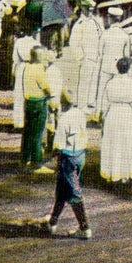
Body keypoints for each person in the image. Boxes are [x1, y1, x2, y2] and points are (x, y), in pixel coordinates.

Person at [43, 88, 93, 239]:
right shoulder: (80, 114)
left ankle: (85, 228)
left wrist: (51, 156)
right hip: (80, 153)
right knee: (62, 189)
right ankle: (52, 222)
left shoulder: (64, 118)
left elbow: (59, 144)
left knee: (73, 191)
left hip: (68, 157)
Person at [99, 57, 132, 183]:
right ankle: (125, 174)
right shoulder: (131, 83)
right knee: (126, 143)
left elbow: (105, 102)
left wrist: (104, 116)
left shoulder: (110, 83)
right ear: (128, 69)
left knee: (113, 143)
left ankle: (112, 172)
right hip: (126, 114)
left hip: (113, 113)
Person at [17, 45, 53, 169]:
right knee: (37, 133)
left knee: (27, 132)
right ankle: (36, 162)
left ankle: (24, 159)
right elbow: (46, 87)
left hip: (29, 101)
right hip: (39, 101)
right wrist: (50, 94)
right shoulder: (39, 69)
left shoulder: (27, 68)